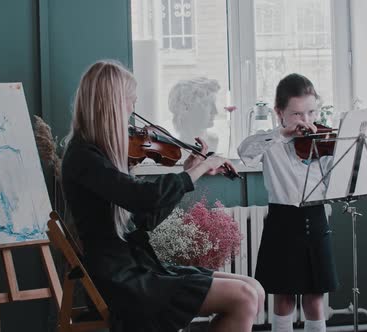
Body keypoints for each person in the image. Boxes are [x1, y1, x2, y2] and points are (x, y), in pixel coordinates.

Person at [62, 60, 265, 332]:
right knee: (244, 297)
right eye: (129, 101)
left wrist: (188, 170)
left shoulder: (101, 155)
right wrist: (200, 168)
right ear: (111, 104)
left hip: (137, 266)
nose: (133, 111)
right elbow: (141, 197)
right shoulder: (83, 157)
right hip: (119, 279)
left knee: (254, 288)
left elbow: (145, 218)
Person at [238, 73, 367, 332]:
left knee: (315, 296)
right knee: (283, 296)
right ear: (279, 113)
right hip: (282, 222)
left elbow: (343, 178)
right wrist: (282, 134)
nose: (305, 121)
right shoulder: (271, 142)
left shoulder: (324, 143)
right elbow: (245, 152)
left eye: (310, 112)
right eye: (296, 114)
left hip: (316, 219)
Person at [168, 77, 220, 151]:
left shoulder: (213, 140)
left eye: (213, 104)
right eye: (207, 104)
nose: (215, 111)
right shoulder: (175, 147)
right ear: (186, 108)